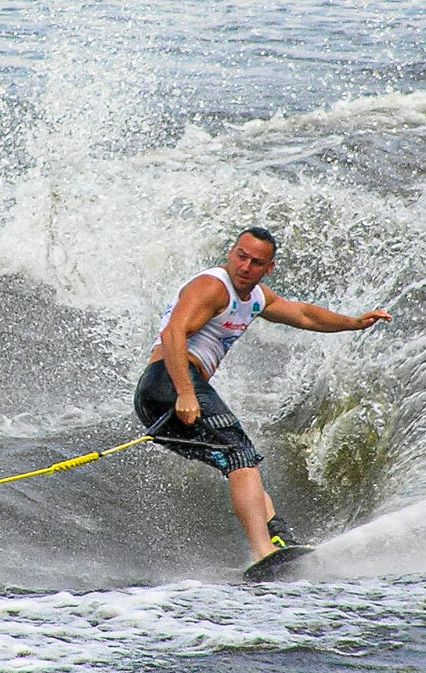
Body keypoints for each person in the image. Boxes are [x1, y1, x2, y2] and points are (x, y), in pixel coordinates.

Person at [134, 227, 392, 564]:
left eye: (256, 262)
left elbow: (303, 315)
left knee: (241, 461)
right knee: (241, 455)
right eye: (241, 256)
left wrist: (353, 323)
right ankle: (262, 552)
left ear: (268, 268)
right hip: (168, 383)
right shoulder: (213, 286)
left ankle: (279, 539)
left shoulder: (256, 298)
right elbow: (172, 334)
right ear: (231, 252)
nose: (245, 266)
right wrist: (185, 393)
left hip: (163, 394)